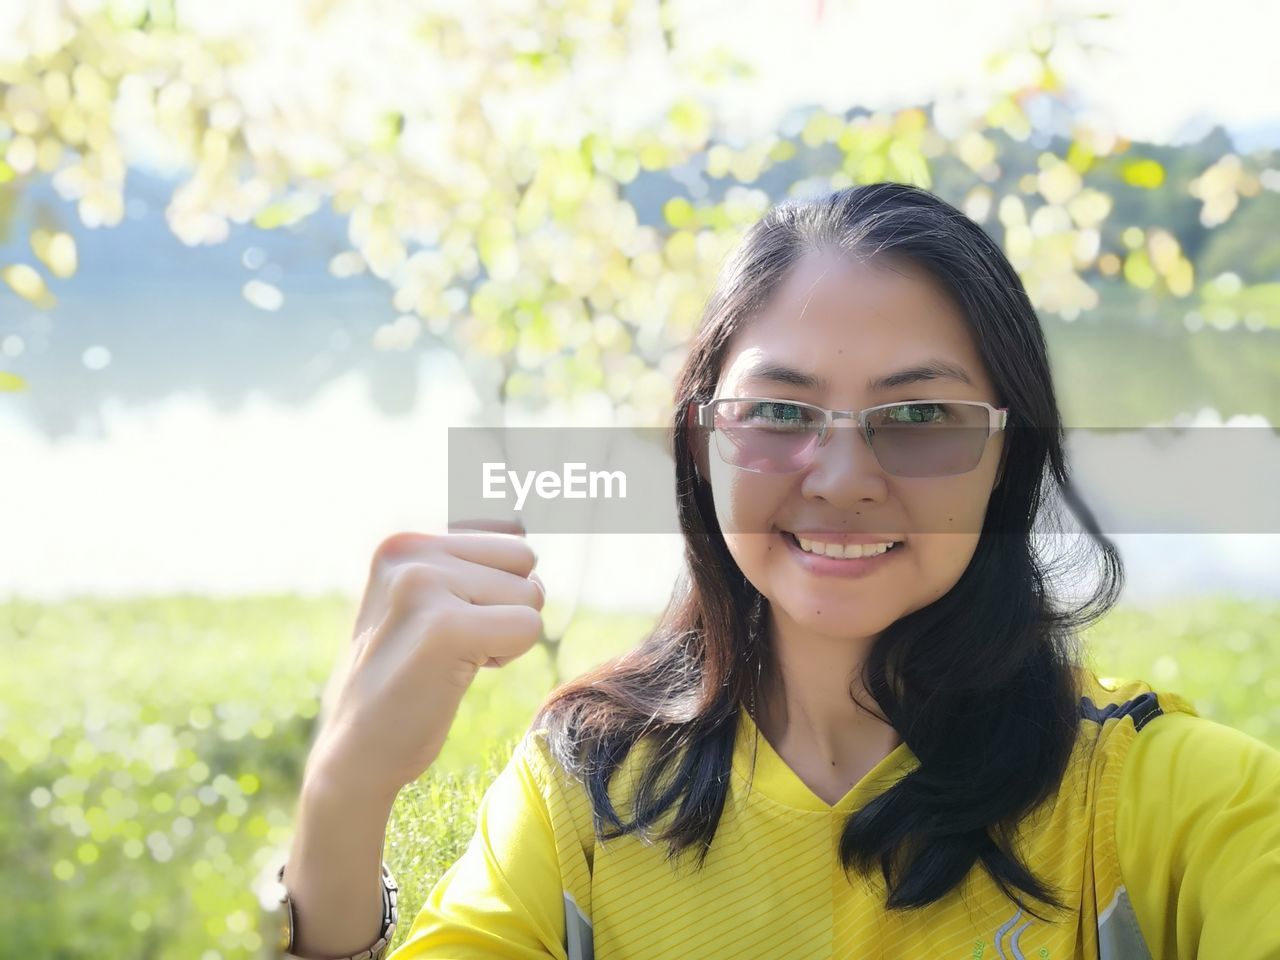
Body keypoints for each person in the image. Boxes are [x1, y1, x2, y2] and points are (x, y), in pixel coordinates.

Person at [274, 183, 1280, 959]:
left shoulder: (1167, 800)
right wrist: (344, 795)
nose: (841, 480)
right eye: (779, 411)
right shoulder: (583, 788)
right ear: (699, 442)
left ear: (1005, 456)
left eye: (919, 416)